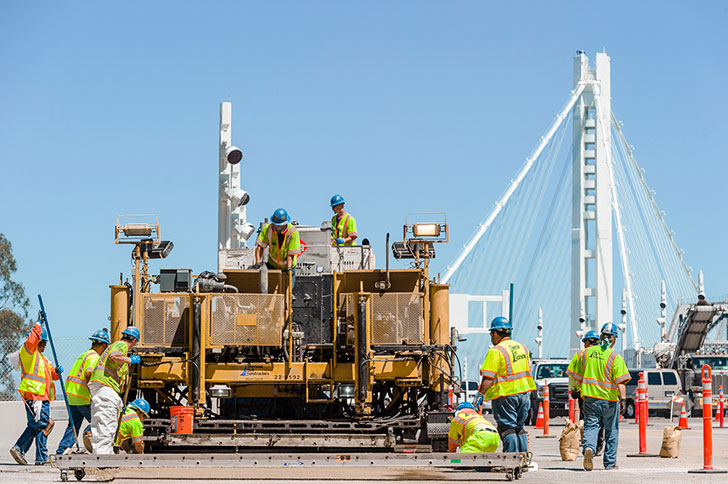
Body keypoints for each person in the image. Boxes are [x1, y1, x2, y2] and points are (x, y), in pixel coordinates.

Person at [475, 317, 536, 453]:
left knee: (507, 428)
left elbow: (488, 378)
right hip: (525, 394)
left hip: (506, 395)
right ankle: (523, 460)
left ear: (495, 333)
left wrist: (480, 395)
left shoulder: (496, 351)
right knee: (519, 427)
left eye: (491, 334)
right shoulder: (522, 348)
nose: (491, 337)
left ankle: (510, 462)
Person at [578, 322, 631, 471]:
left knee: (591, 426)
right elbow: (621, 381)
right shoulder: (615, 357)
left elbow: (577, 375)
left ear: (600, 336)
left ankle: (589, 448)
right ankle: (609, 463)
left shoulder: (587, 353)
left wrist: (576, 389)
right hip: (609, 400)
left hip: (589, 398)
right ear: (614, 339)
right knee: (611, 431)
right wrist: (624, 400)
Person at [10, 321, 61, 466]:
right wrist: (38, 324)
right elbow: (31, 340)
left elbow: (51, 374)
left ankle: (23, 450)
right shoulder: (28, 353)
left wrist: (56, 372)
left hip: (39, 396)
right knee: (43, 424)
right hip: (34, 396)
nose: (45, 345)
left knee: (36, 425)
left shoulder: (42, 358)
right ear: (39, 341)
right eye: (43, 342)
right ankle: (33, 454)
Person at [55, 329, 111, 455]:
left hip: (72, 396)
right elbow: (88, 372)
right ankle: (91, 438)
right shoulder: (94, 357)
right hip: (83, 397)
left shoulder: (84, 354)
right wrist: (94, 391)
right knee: (99, 421)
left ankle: (62, 450)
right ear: (103, 345)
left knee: (73, 426)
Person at [88, 326, 141, 454]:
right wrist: (129, 360)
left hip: (101, 386)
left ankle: (101, 454)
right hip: (105, 386)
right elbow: (113, 356)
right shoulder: (121, 345)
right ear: (134, 341)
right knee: (107, 423)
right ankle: (104, 456)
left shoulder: (115, 345)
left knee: (101, 422)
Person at [567, 330, 604, 455]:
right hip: (604, 393)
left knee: (588, 421)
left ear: (588, 341)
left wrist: (573, 389)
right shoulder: (605, 353)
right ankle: (599, 444)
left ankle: (589, 445)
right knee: (602, 421)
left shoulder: (580, 355)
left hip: (586, 393)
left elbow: (573, 374)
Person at [254, 208, 302, 287]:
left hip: (288, 266)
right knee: (269, 288)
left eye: (281, 226)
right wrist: (258, 262)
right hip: (272, 265)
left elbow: (291, 254)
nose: (278, 228)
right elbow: (260, 247)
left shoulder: (293, 232)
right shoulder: (268, 229)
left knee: (288, 289)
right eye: (276, 226)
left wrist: (289, 268)